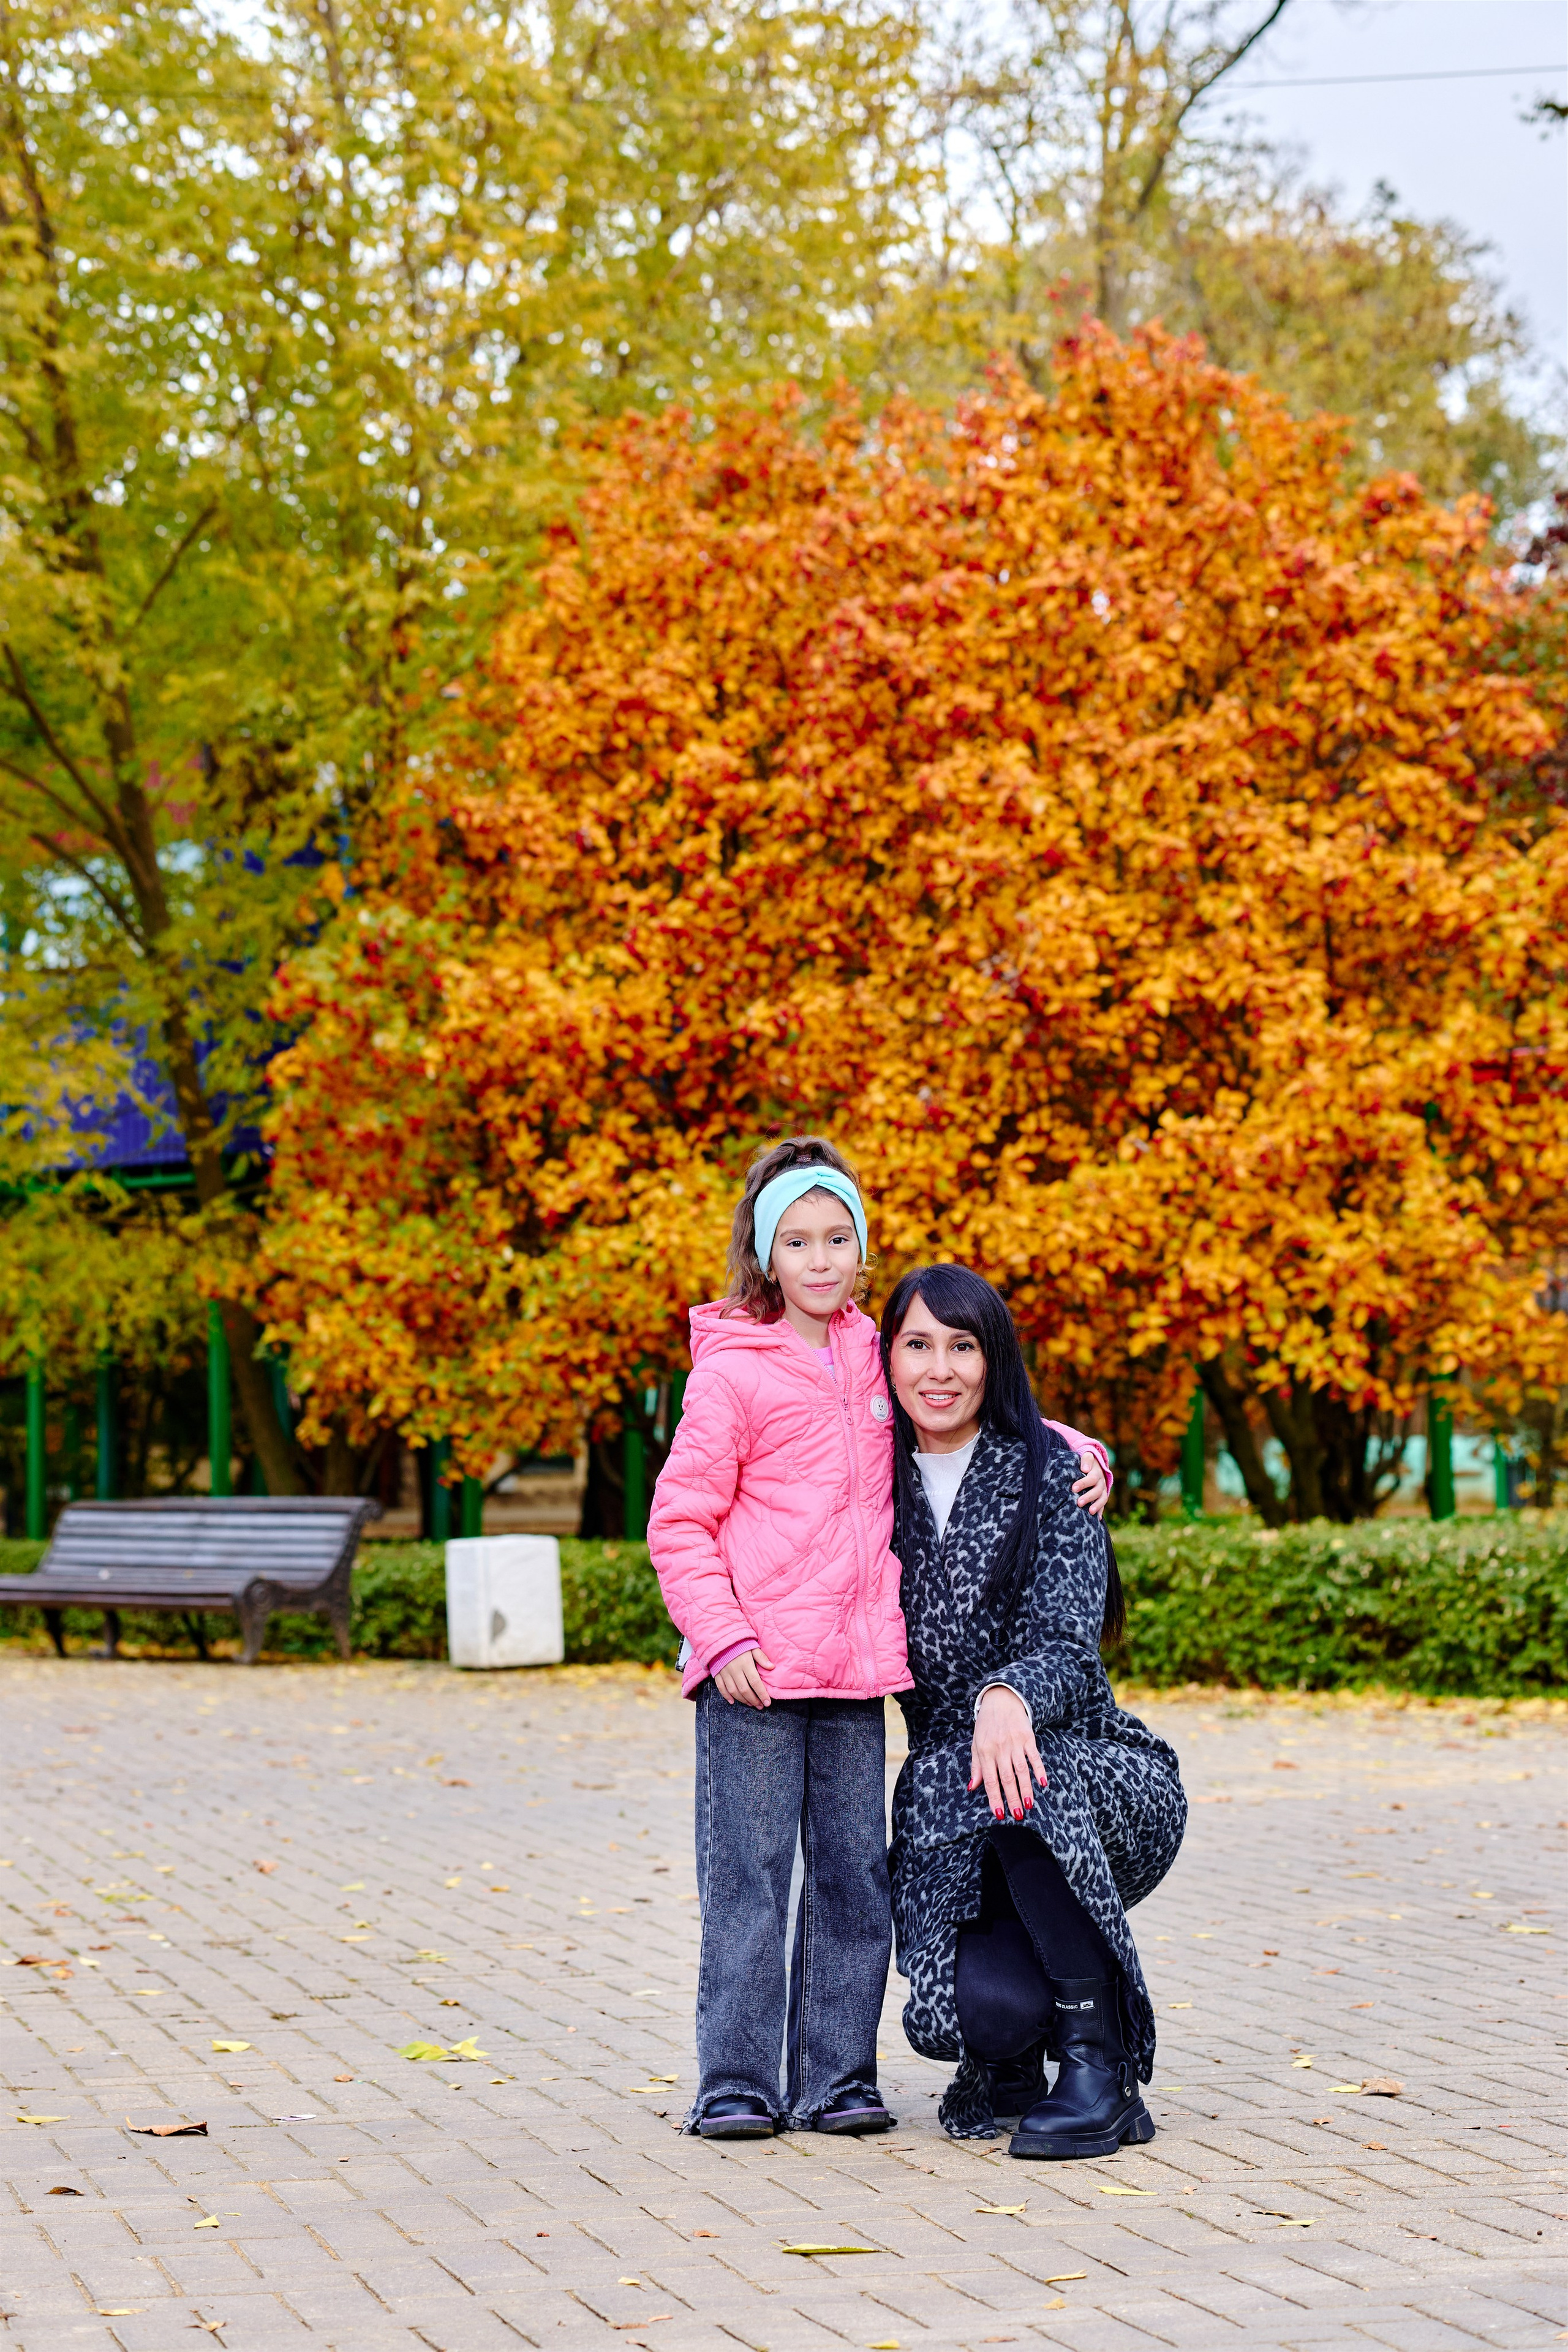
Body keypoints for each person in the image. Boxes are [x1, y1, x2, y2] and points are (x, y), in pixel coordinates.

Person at [649, 1138, 1113, 2141]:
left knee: (854, 1881)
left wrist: (1076, 1448)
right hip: (756, 1675)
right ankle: (735, 2081)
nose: (819, 1259)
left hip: (857, 1676)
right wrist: (721, 1640)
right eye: (796, 1241)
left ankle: (837, 2078)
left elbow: (962, 1402)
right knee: (749, 1880)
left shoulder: (874, 1350)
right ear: (764, 1254)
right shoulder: (731, 1374)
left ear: (862, 1252)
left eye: (838, 1239)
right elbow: (679, 1522)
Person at [881, 1263, 1188, 2158]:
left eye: (964, 1346)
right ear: (887, 1358)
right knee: (971, 2016)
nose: (940, 1369)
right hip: (950, 1800)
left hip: (1087, 1771)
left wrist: (1007, 1696)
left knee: (1020, 1773)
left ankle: (1101, 2069)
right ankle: (1018, 2051)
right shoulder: (866, 1486)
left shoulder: (1053, 1474)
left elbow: (1065, 1639)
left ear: (995, 1359)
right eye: (918, 1345)